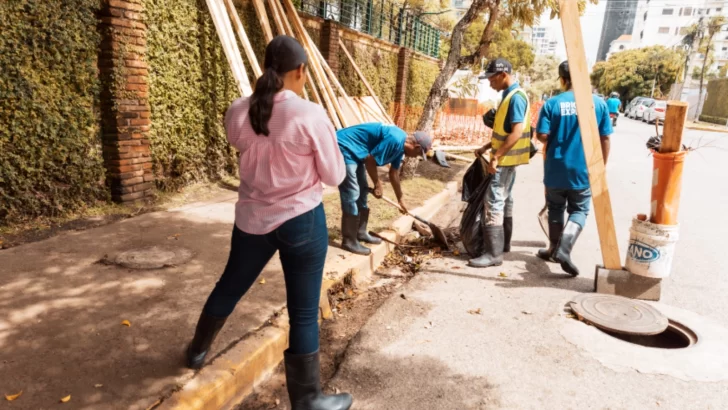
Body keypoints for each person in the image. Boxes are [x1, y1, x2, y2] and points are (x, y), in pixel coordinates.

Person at [185, 36, 353, 410]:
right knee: (304, 311)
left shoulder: (237, 111)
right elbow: (334, 175)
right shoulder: (310, 114)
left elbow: (239, 141)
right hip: (302, 221)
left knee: (229, 285)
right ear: (300, 71)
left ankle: (197, 351)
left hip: (251, 220)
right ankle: (308, 400)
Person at [535, 61, 613, 277]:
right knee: (579, 210)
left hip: (555, 167)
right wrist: (601, 167)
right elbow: (605, 137)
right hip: (584, 169)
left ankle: (554, 249)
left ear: (562, 79)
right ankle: (564, 249)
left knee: (556, 208)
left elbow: (542, 135)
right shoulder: (598, 104)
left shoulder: (552, 103)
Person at [469, 58, 531, 268]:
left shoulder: (516, 98)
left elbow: (516, 132)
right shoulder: (508, 95)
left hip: (504, 161)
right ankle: (503, 246)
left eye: (491, 78)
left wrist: (495, 157)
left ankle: (493, 253)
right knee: (505, 198)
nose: (489, 82)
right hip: (505, 159)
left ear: (503, 75)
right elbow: (503, 132)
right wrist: (487, 148)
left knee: (494, 200)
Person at [336, 123, 433, 255]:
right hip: (344, 146)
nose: (417, 157)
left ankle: (361, 232)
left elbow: (393, 173)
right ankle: (349, 241)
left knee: (363, 191)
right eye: (418, 153)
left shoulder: (400, 147)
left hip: (357, 152)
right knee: (352, 193)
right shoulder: (395, 139)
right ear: (415, 146)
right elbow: (371, 160)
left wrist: (401, 200)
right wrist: (377, 184)